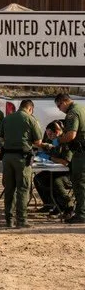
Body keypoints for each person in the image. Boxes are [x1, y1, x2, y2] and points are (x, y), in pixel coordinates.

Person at [0, 99, 42, 228]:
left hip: (7, 157)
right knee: (22, 189)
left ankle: (9, 220)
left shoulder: (7, 119)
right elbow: (38, 141)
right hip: (22, 159)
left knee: (9, 189)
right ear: (30, 109)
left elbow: (1, 137)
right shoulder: (30, 119)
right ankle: (21, 220)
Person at [54, 93, 85, 224]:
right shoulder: (82, 108)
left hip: (81, 152)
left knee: (79, 183)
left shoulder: (72, 113)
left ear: (64, 102)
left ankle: (81, 214)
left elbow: (71, 135)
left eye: (59, 105)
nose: (59, 109)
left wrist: (59, 140)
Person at [34, 120, 74, 218]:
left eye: (50, 134)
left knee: (56, 182)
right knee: (39, 178)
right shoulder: (55, 142)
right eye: (47, 134)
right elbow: (52, 152)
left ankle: (69, 208)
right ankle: (52, 204)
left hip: (70, 174)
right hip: (59, 171)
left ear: (57, 132)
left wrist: (50, 158)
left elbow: (65, 162)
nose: (48, 137)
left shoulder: (66, 142)